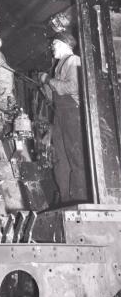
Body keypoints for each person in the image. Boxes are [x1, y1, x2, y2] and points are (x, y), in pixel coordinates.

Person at [40, 31, 89, 205]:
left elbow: (73, 86)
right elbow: (55, 94)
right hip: (61, 114)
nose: (52, 47)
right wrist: (46, 86)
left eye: (54, 44)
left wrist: (49, 80)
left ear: (64, 44)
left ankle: (81, 198)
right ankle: (65, 199)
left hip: (73, 113)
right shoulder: (59, 65)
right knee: (60, 158)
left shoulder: (73, 60)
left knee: (76, 156)